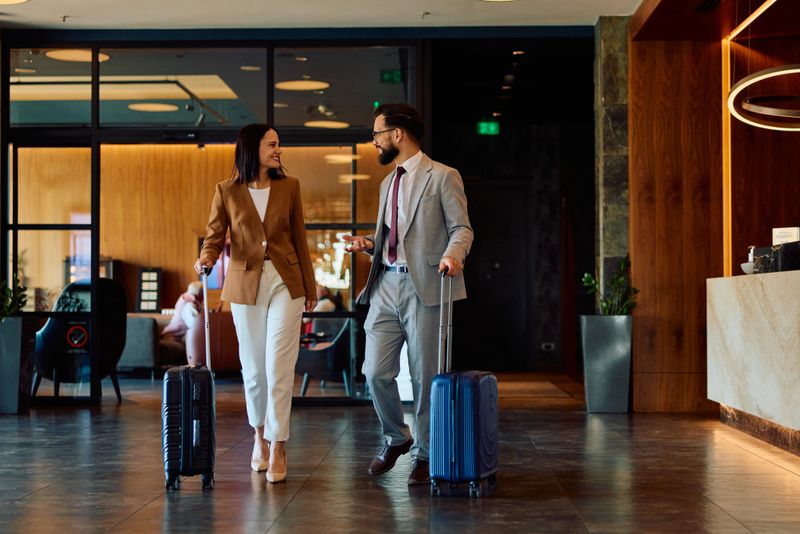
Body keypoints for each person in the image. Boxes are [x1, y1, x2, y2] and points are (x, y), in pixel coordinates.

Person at [342, 103, 473, 485]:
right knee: (374, 372)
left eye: (377, 134)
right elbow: (390, 238)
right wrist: (368, 242)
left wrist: (452, 256)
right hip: (385, 285)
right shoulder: (387, 183)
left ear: (397, 134)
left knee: (424, 376)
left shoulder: (443, 176)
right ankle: (398, 437)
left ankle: (426, 454)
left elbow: (462, 229)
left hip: (428, 285)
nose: (374, 141)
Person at [195, 123, 316, 484]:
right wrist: (205, 259)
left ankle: (278, 444)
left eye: (279, 144)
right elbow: (214, 237)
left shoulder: (289, 187)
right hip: (245, 283)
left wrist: (309, 286)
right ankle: (258, 435)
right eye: (272, 144)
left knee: (279, 364)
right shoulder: (226, 191)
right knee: (254, 368)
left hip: (286, 280)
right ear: (253, 148)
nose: (279, 150)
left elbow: (299, 239)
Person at [161, 281, 206, 367]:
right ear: (199, 293)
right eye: (203, 293)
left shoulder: (186, 299)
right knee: (200, 338)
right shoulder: (189, 305)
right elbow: (194, 326)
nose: (204, 295)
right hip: (173, 336)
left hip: (178, 334)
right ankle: (198, 365)